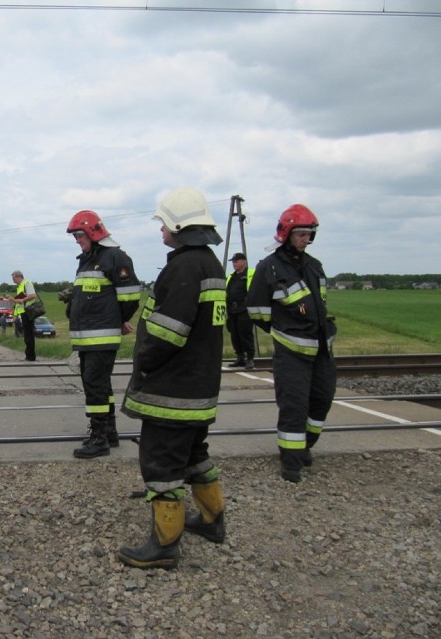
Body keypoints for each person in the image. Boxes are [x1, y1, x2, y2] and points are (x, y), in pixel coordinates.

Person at [118, 187, 227, 570]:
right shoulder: (211, 263)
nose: (161, 230)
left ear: (180, 226)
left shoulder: (183, 267)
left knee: (162, 466)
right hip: (198, 387)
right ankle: (212, 522)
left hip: (172, 393)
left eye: (164, 223)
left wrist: (144, 362)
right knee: (195, 455)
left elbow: (168, 332)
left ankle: (165, 547)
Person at [246, 204, 337, 483]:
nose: (305, 239)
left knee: (321, 400)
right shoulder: (268, 267)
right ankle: (291, 462)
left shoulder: (315, 266)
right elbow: (257, 310)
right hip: (292, 353)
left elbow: (319, 306)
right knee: (294, 406)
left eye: (309, 234)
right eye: (301, 234)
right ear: (287, 234)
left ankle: (305, 446)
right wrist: (282, 330)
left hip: (321, 350)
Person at [65, 210, 141, 459]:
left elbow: (130, 297)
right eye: (75, 236)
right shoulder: (87, 259)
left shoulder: (115, 257)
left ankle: (98, 439)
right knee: (99, 385)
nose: (77, 240)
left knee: (95, 387)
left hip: (101, 337)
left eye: (79, 235)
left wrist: (120, 320)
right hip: (88, 338)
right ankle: (109, 432)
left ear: (93, 232)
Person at [226, 252, 256, 370]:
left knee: (245, 333)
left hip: (244, 309)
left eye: (236, 261)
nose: (234, 264)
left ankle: (250, 358)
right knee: (235, 334)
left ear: (244, 261)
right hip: (232, 310)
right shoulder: (231, 276)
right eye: (233, 261)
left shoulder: (251, 274)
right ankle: (240, 357)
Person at [6, 271, 38, 361]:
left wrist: (21, 300)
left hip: (28, 311)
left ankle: (31, 356)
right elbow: (18, 304)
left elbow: (33, 295)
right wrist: (15, 314)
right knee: (26, 335)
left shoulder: (27, 283)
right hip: (23, 312)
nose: (13, 280)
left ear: (19, 276)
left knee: (29, 335)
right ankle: (28, 355)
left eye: (14, 278)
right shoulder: (19, 286)